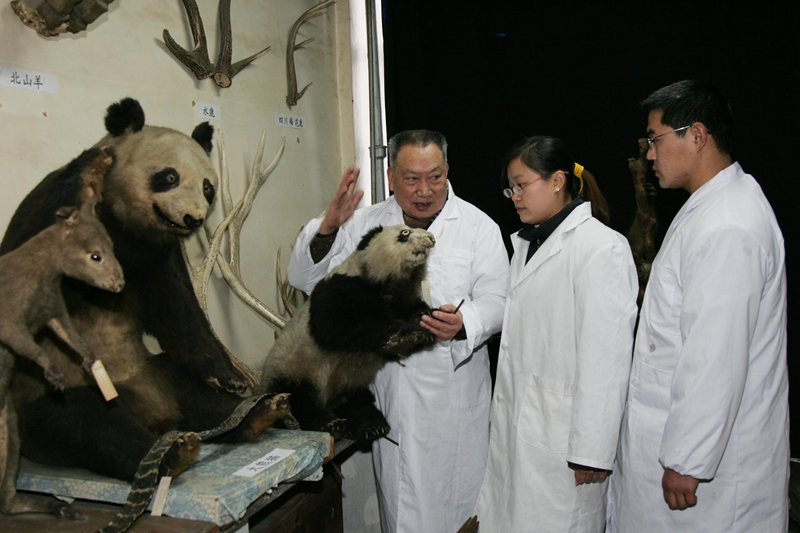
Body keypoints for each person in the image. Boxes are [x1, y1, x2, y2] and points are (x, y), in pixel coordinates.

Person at [287, 129, 509, 533]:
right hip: (390, 391)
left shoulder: (479, 227)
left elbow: (499, 299)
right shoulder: (365, 225)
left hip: (452, 397)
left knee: (461, 509)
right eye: (411, 178)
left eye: (435, 177)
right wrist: (327, 228)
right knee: (401, 510)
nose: (424, 190)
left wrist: (466, 323)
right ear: (391, 177)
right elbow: (308, 278)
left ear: (447, 172)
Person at [608, 80, 789, 532]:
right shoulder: (709, 207)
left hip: (707, 473)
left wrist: (688, 458)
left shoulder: (729, 225)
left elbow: (716, 355)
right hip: (673, 442)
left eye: (655, 139)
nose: (649, 154)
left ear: (697, 135)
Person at [474, 136, 639, 532]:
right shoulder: (524, 247)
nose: (514, 196)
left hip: (567, 443)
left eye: (521, 184)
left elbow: (608, 358)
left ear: (558, 180)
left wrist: (593, 452)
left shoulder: (602, 248)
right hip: (523, 427)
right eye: (510, 187)